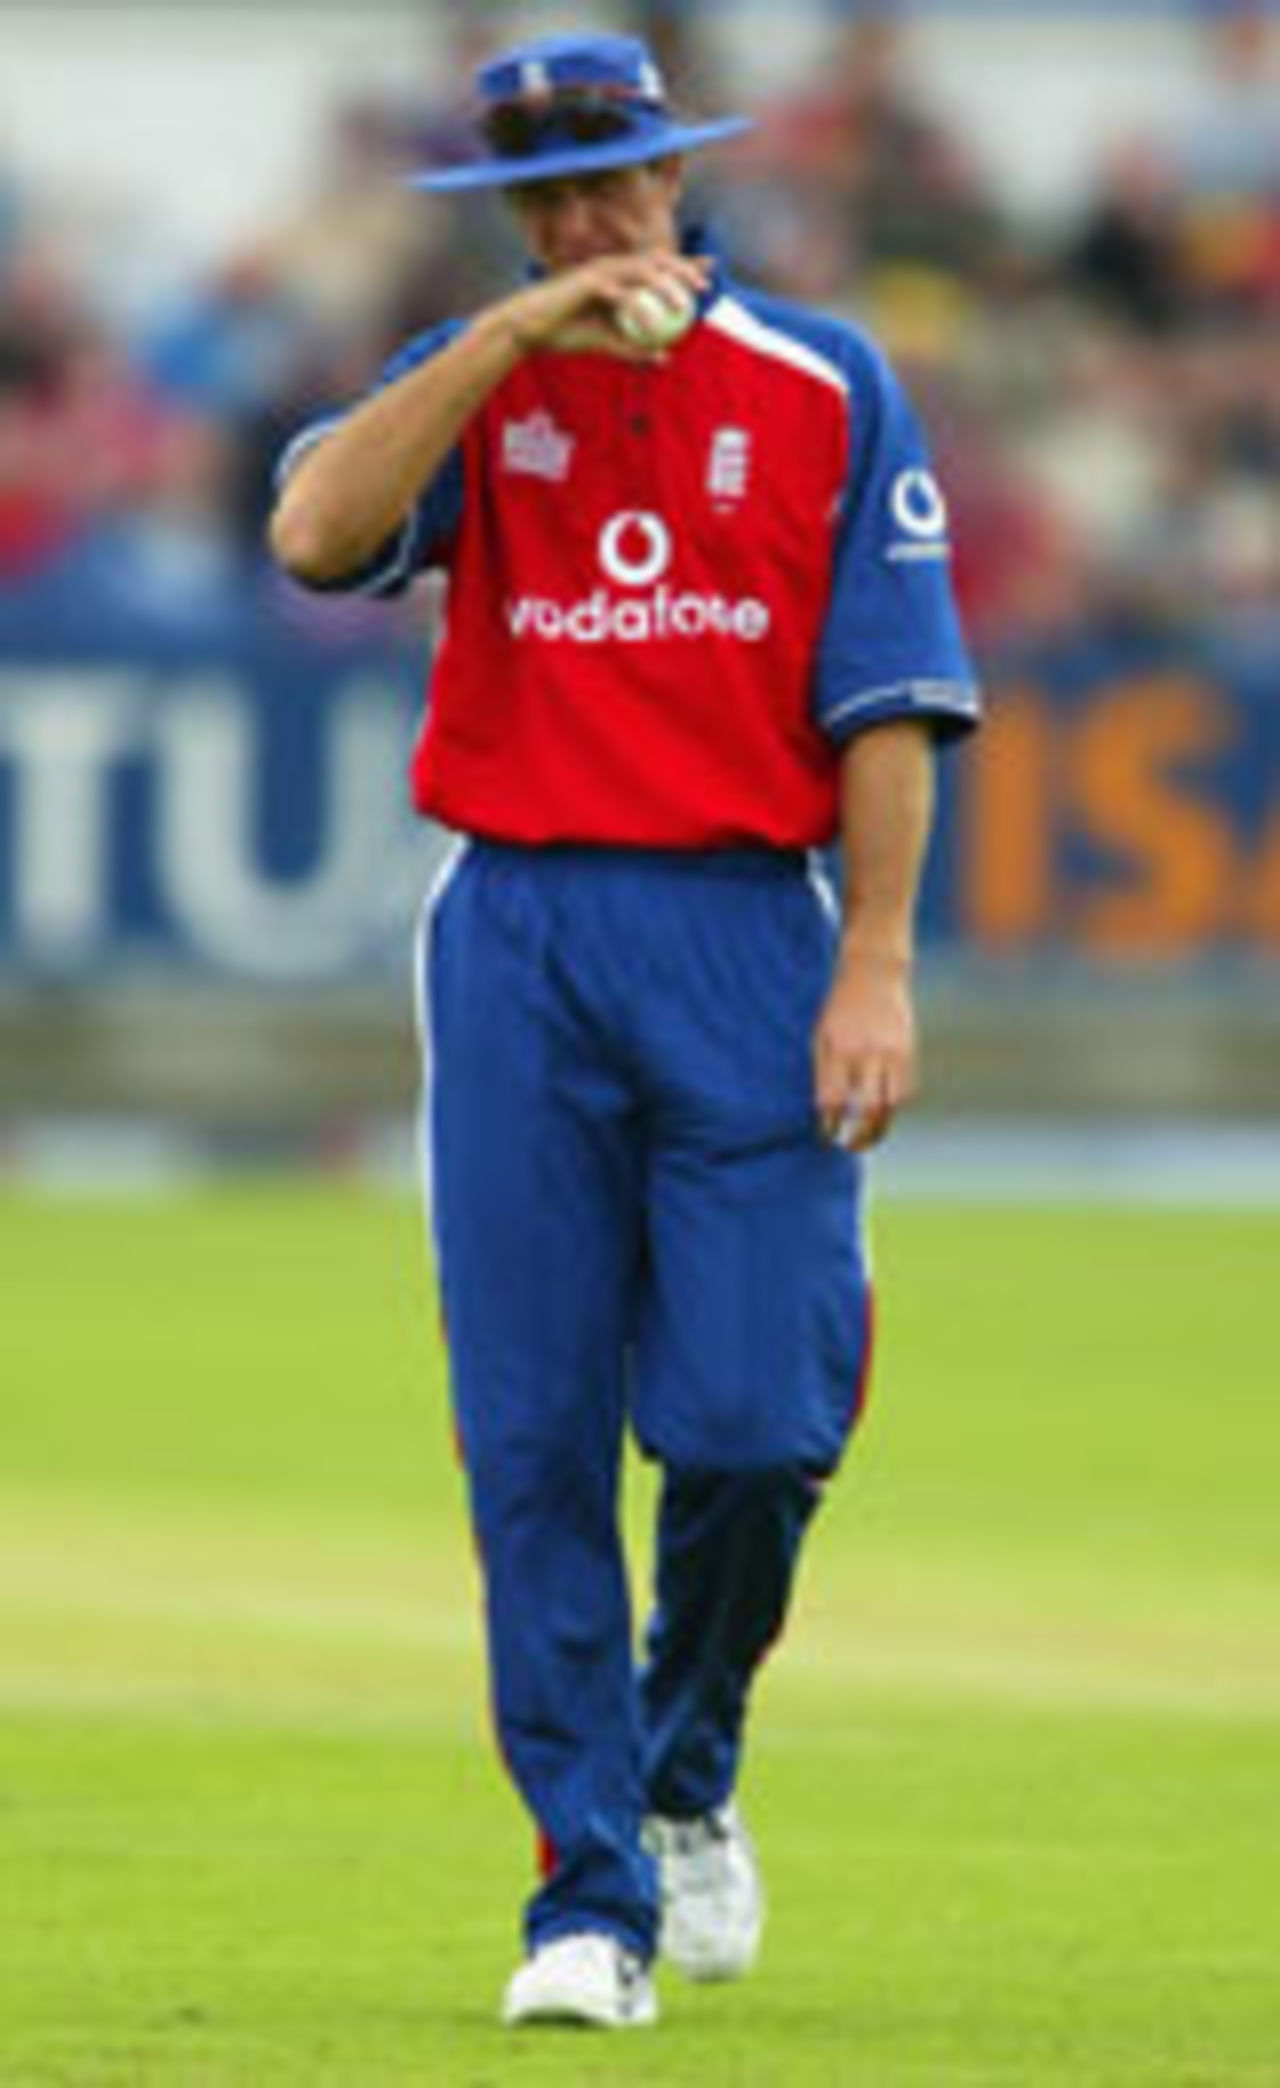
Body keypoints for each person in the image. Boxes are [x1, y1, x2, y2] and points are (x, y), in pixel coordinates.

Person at [270, 29, 979, 2033]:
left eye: (616, 185)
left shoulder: (824, 381)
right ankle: (583, 1901)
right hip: (519, 932)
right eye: (548, 198)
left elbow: (896, 703)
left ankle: (686, 1762)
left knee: (755, 1429)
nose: (587, 224)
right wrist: (509, 344)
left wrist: (881, 964)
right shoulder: (476, 386)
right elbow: (318, 536)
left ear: (680, 183)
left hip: (749, 930)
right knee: (532, 1442)